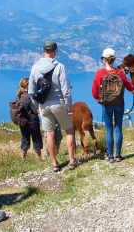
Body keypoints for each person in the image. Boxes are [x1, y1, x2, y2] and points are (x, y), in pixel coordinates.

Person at [28, 40, 77, 172]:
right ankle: (72, 161)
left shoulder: (35, 67)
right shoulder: (59, 67)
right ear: (55, 51)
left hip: (44, 105)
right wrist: (69, 106)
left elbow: (31, 91)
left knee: (49, 134)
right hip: (59, 103)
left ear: (43, 50)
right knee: (69, 130)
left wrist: (37, 106)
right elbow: (66, 89)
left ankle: (54, 163)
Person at [92, 48, 134, 163]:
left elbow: (94, 91)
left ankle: (110, 156)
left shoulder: (100, 73)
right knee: (118, 128)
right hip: (119, 103)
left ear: (104, 59)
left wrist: (98, 99)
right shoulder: (120, 73)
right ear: (113, 59)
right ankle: (118, 156)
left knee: (109, 129)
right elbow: (129, 85)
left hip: (106, 104)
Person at [16, 78, 43, 160]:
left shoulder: (18, 97)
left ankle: (22, 159)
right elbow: (35, 110)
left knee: (24, 140)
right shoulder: (29, 97)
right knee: (37, 140)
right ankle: (39, 159)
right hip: (32, 122)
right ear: (27, 85)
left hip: (23, 123)